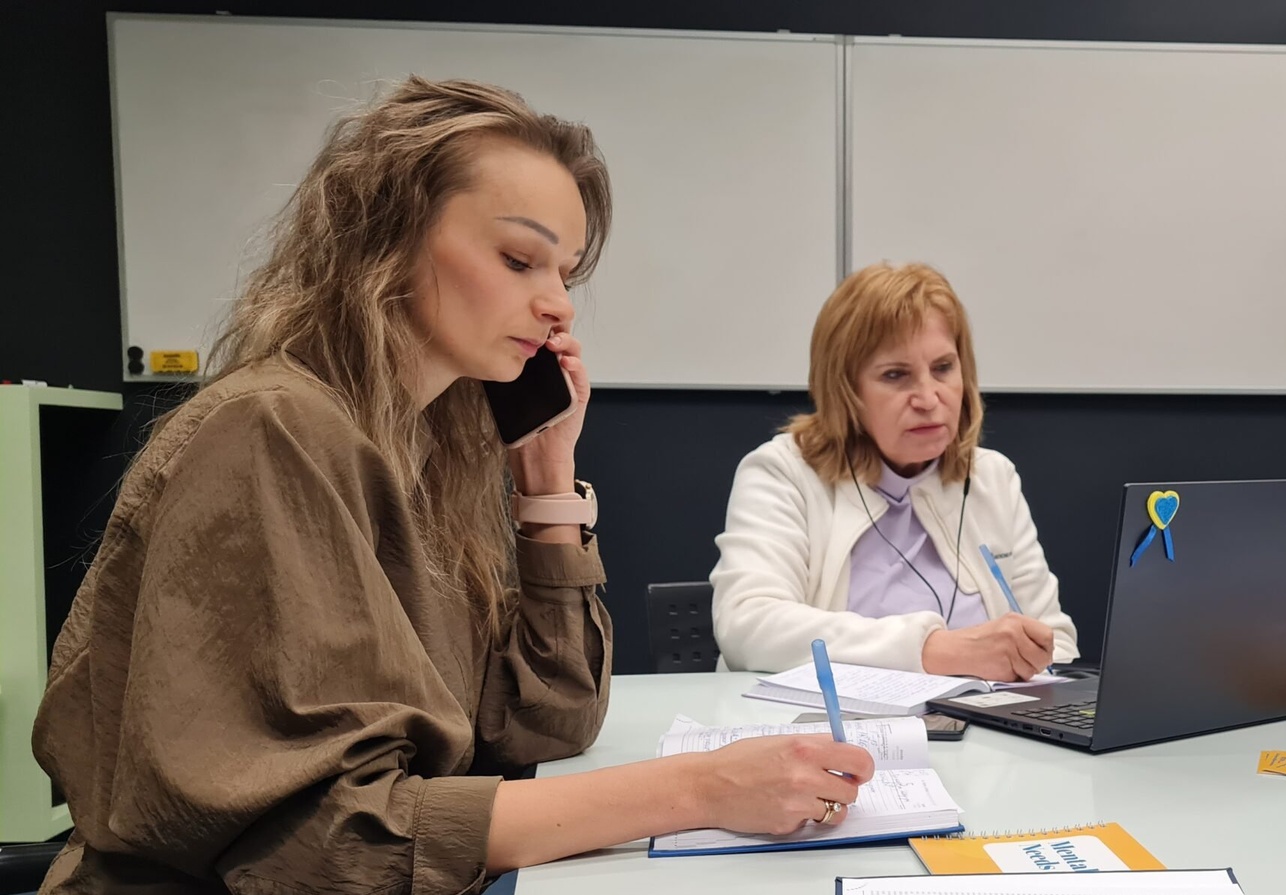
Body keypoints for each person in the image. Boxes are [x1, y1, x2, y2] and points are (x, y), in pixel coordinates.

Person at [32, 77, 871, 895]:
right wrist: (700, 788)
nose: (559, 307)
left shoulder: (426, 449)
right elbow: (331, 849)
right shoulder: (274, 430)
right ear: (384, 241)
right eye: (519, 259)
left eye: (565, 274)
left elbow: (546, 720)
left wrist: (547, 482)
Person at [711, 262, 1079, 680]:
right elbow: (748, 625)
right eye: (895, 375)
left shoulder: (991, 477)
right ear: (845, 390)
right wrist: (932, 650)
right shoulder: (782, 473)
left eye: (943, 368)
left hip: (982, 717)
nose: (928, 398)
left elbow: (1055, 643)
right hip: (829, 718)